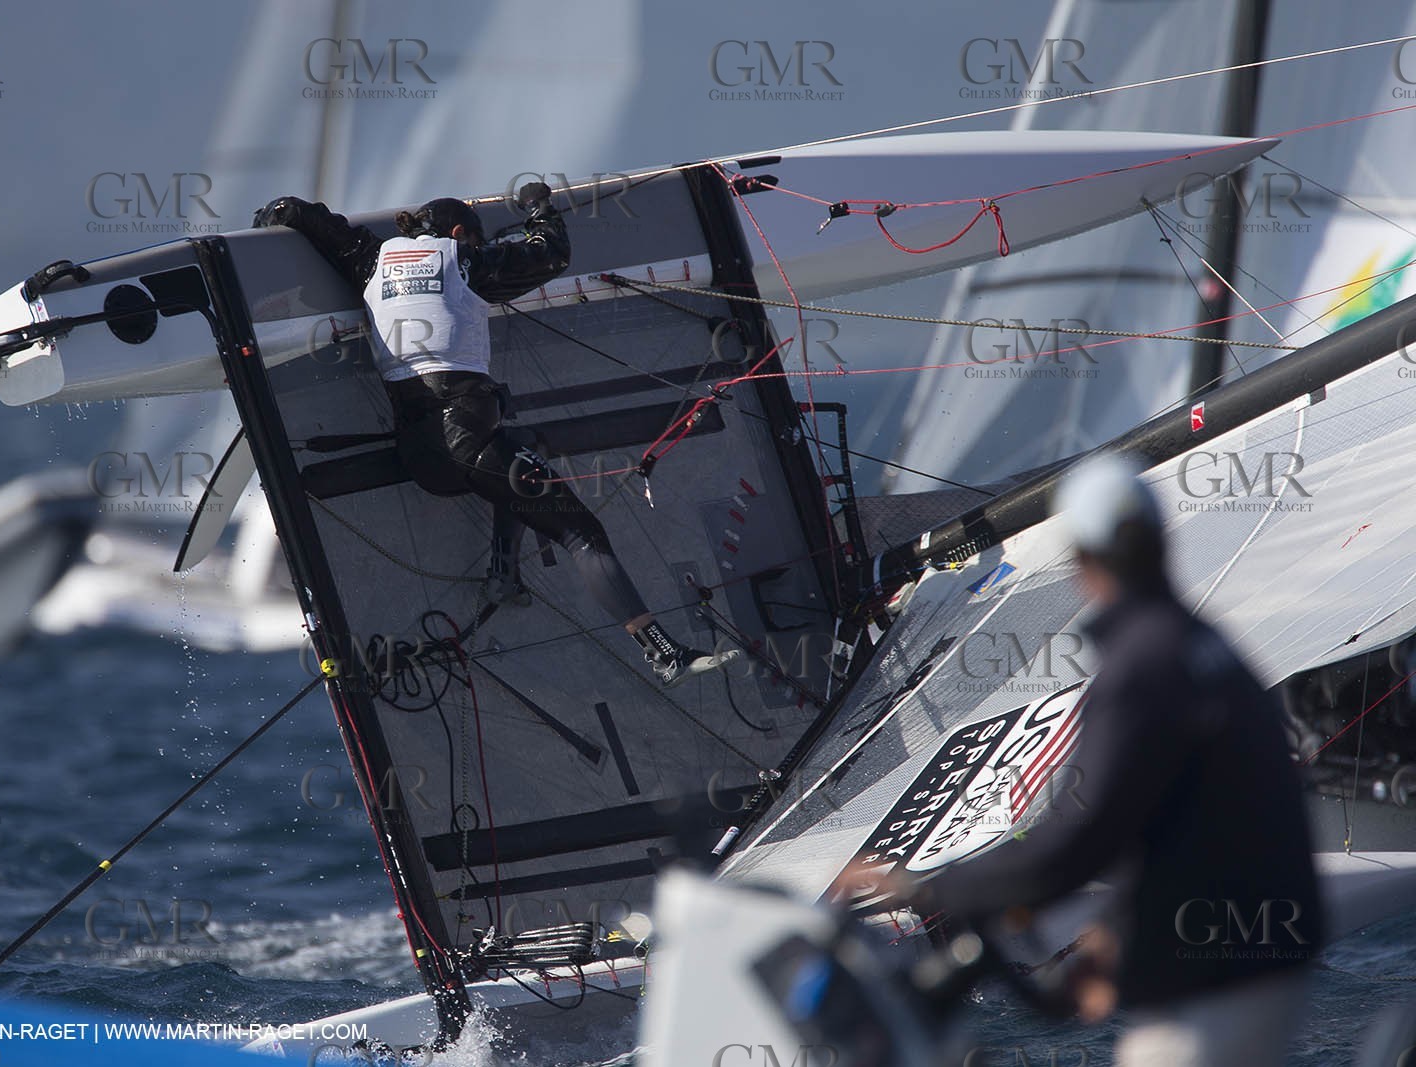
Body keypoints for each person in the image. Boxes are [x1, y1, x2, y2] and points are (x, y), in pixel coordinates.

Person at [844, 453, 1323, 1067]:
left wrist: (924, 886)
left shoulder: (1141, 668)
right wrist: (1118, 937)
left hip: (1219, 979)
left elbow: (1079, 840)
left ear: (1083, 564)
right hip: (1260, 958)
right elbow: (1183, 824)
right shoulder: (1199, 643)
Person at [253, 186, 738, 688]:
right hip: (468, 440)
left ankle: (503, 574)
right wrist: (538, 207)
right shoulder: (466, 261)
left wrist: (280, 212)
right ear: (461, 235)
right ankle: (663, 653)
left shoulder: (371, 258)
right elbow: (551, 254)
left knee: (519, 448)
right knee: (581, 533)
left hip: (419, 453)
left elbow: (316, 221)